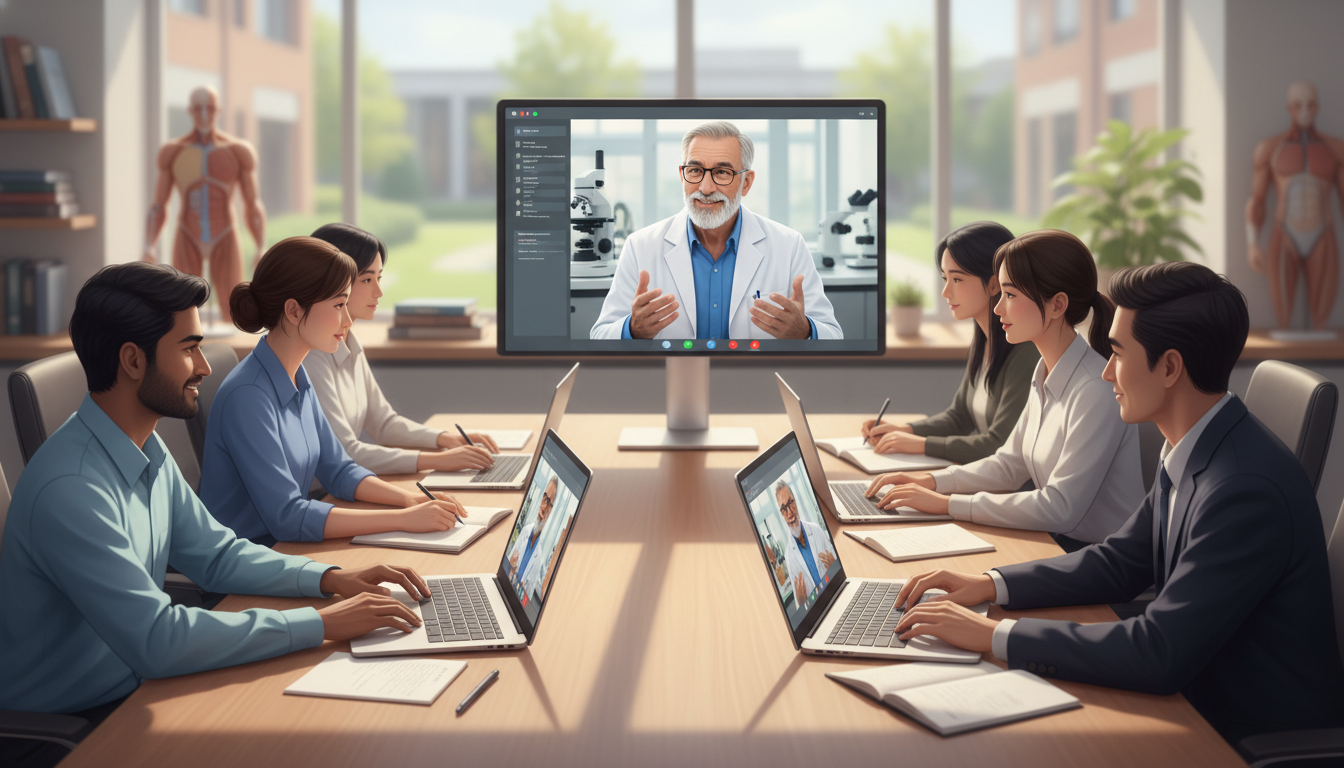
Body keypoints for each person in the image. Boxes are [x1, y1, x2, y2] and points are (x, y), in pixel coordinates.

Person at [886, 262, 1344, 744]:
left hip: (1238, 729)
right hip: (1196, 694)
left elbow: (1157, 652)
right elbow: (1120, 562)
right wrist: (988, 585)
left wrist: (996, 636)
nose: (1106, 372)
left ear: (1169, 367)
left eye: (1118, 354)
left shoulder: (1244, 491)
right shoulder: (1193, 445)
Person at [0, 262, 430, 768]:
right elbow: (157, 641)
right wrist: (321, 624)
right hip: (81, 726)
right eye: (188, 348)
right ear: (133, 361)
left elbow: (218, 556)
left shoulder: (144, 447)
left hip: (139, 686)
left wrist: (333, 579)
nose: (203, 366)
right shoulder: (72, 489)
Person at [865, 230, 1142, 550]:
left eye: (1010, 295)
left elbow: (1060, 508)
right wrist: (930, 482)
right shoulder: (1044, 372)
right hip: (1056, 544)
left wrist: (948, 504)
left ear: (1057, 305)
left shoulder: (1095, 389)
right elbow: (1008, 465)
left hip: (1097, 562)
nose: (997, 309)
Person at [198, 237, 469, 545]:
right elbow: (288, 517)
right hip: (251, 560)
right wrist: (401, 520)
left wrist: (408, 501)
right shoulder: (247, 396)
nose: (348, 319)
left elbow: (338, 469)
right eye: (339, 305)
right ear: (294, 311)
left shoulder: (297, 374)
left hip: (284, 548)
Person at [590, 121, 841, 341]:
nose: (706, 187)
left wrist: (805, 331)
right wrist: (632, 330)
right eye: (695, 171)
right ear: (682, 175)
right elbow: (600, 335)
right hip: (672, 382)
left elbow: (833, 335)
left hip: (757, 383)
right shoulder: (640, 247)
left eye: (722, 172)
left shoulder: (789, 246)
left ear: (747, 182)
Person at [303, 223, 498, 475]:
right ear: (332, 281)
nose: (379, 291)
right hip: (322, 496)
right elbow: (347, 453)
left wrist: (446, 439)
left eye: (379, 278)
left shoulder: (348, 341)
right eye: (367, 279)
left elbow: (384, 424)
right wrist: (438, 460)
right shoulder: (312, 357)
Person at [861, 222, 1040, 463]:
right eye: (945, 278)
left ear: (994, 283)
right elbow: (960, 417)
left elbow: (999, 444)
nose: (945, 292)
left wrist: (921, 444)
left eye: (957, 279)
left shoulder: (1026, 352)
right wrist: (904, 431)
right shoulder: (983, 341)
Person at [144, 86, 265, 325]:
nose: (204, 114)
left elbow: (253, 205)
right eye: (198, 109)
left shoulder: (238, 152)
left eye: (209, 108)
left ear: (217, 110)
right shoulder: (173, 152)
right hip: (187, 234)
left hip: (226, 234)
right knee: (184, 312)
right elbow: (159, 205)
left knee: (233, 310)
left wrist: (260, 245)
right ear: (190, 111)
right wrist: (149, 244)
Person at [1246, 80, 1344, 331]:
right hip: (1284, 233)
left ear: (1317, 107)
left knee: (1321, 325)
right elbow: (1257, 201)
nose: (1305, 111)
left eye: (1310, 105)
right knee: (1284, 326)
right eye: (1298, 105)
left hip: (1323, 234)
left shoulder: (1336, 150)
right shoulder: (1269, 149)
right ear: (1289, 108)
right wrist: (1252, 242)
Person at [775, 480, 837, 608]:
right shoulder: (789, 555)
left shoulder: (816, 530)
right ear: (781, 514)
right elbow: (800, 605)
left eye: (790, 502)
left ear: (795, 501)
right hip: (817, 609)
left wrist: (834, 564)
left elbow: (838, 568)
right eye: (783, 508)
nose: (789, 512)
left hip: (835, 594)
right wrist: (801, 601)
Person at [508, 476, 558, 594]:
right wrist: (509, 565)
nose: (544, 507)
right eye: (545, 498)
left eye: (550, 503)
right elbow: (507, 565)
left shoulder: (538, 558)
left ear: (551, 511)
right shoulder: (525, 531)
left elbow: (527, 598)